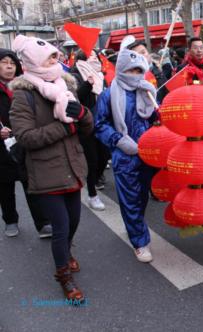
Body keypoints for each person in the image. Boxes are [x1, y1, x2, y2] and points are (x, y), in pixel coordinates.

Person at [10, 35, 94, 301]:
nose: (55, 60)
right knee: (60, 226)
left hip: (72, 165)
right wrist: (64, 127)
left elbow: (86, 128)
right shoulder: (24, 94)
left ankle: (67, 253)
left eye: (56, 56)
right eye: (49, 57)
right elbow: (25, 137)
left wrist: (82, 115)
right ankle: (64, 277)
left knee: (74, 223)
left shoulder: (66, 83)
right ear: (34, 62)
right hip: (46, 172)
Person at [94, 49, 157, 263]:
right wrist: (119, 141)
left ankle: (135, 226)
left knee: (141, 197)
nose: (135, 73)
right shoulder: (108, 95)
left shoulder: (148, 92)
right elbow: (100, 125)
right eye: (131, 69)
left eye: (139, 69)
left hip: (150, 155)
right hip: (125, 156)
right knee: (130, 200)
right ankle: (140, 242)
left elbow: (154, 118)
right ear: (121, 69)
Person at [0, 48, 52, 238]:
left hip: (24, 143)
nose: (8, 67)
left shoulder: (24, 87)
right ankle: (10, 220)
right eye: (4, 62)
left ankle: (43, 223)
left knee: (32, 185)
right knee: (5, 188)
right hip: (2, 149)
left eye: (12, 63)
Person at [70, 49, 109, 211]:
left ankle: (96, 178)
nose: (94, 58)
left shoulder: (101, 75)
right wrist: (88, 84)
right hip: (86, 124)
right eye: (91, 56)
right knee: (92, 160)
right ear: (82, 59)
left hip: (102, 122)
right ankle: (92, 195)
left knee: (105, 156)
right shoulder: (75, 75)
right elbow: (75, 97)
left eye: (96, 56)